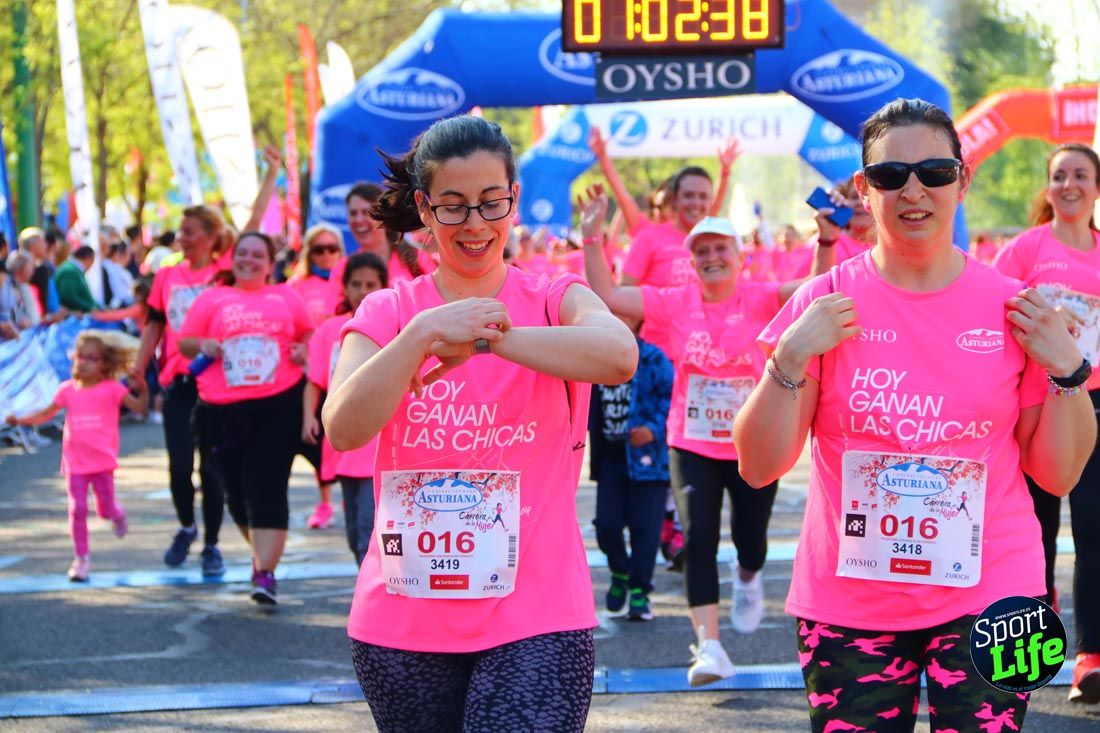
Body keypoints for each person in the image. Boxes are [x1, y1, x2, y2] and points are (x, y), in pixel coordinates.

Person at [733, 98, 1095, 732]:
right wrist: (788, 357)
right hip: (848, 602)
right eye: (889, 175)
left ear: (963, 179)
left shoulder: (1016, 309)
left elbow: (1058, 475)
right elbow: (760, 466)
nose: (913, 190)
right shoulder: (823, 304)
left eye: (934, 171)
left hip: (1000, 595)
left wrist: (1069, 373)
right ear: (863, 189)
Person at [322, 115, 637, 732]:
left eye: (492, 204)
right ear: (425, 209)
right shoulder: (390, 311)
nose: (475, 225)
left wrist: (492, 338)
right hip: (403, 619)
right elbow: (344, 427)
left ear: (514, 201)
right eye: (455, 206)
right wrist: (420, 335)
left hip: (538, 615)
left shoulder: (553, 298)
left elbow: (618, 354)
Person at [583, 185, 805, 686]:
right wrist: (593, 238)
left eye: (719, 249)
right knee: (698, 539)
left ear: (739, 256)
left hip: (752, 442)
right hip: (691, 441)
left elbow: (817, 286)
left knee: (751, 540)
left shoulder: (763, 296)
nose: (710, 258)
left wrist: (830, 238)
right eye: (701, 252)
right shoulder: (674, 301)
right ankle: (709, 647)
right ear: (692, 262)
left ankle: (748, 578)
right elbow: (611, 298)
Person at [992, 141, 1100, 704]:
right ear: (1049, 187)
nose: (1069, 185)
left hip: (1094, 406)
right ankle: (1030, 638)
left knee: (1095, 533)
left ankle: (1091, 654)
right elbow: (990, 313)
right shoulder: (1024, 249)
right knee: (1033, 531)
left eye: (1080, 175)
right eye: (1059, 176)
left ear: (1096, 187)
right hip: (1034, 405)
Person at [180, 231, 314, 605]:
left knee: (266, 484)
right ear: (232, 259)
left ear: (270, 263)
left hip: (277, 402)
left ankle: (265, 572)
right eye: (243, 253)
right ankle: (260, 558)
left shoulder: (287, 296)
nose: (249, 260)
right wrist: (203, 345)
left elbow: (308, 333)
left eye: (258, 254)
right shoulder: (213, 298)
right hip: (221, 409)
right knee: (234, 491)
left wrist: (303, 348)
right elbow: (185, 342)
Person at [132, 205, 229, 575]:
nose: (182, 238)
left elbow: (252, 227)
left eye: (189, 231)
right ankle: (187, 527)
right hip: (179, 379)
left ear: (210, 235)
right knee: (178, 466)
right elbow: (154, 326)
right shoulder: (167, 274)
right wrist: (139, 368)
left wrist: (269, 174)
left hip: (217, 383)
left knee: (212, 468)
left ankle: (212, 546)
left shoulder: (224, 274)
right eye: (180, 231)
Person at [6, 330, 147, 581]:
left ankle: (117, 514)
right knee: (77, 509)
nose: (83, 362)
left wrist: (143, 390)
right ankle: (81, 559)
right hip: (75, 463)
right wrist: (20, 420)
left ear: (105, 363)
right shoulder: (67, 390)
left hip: (102, 461)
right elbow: (45, 414)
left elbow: (139, 410)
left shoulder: (112, 389)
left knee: (104, 511)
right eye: (80, 356)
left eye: (91, 357)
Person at [588, 311, 673, 622]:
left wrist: (653, 429)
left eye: (624, 316)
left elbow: (672, 398)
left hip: (648, 461)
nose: (618, 321)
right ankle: (620, 571)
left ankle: (640, 590)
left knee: (645, 529)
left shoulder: (653, 358)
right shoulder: (596, 358)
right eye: (611, 314)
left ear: (638, 321)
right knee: (606, 525)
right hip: (610, 457)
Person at [303, 251, 387, 563]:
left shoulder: (397, 326)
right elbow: (315, 379)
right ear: (346, 288)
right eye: (356, 284)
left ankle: (371, 594)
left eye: (370, 284)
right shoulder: (329, 330)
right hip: (341, 438)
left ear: (383, 286)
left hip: (377, 438)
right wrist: (307, 417)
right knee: (353, 529)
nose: (363, 291)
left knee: (367, 526)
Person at [289, 223, 347, 529]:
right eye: (319, 249)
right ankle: (325, 501)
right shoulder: (297, 287)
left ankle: (353, 493)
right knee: (317, 440)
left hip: (348, 369)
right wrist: (298, 347)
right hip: (312, 374)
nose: (326, 255)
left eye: (332, 248)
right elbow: (286, 328)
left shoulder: (348, 282)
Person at [53, 245, 99, 312]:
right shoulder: (69, 271)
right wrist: (91, 308)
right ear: (89, 258)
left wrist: (98, 307)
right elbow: (69, 298)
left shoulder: (75, 270)